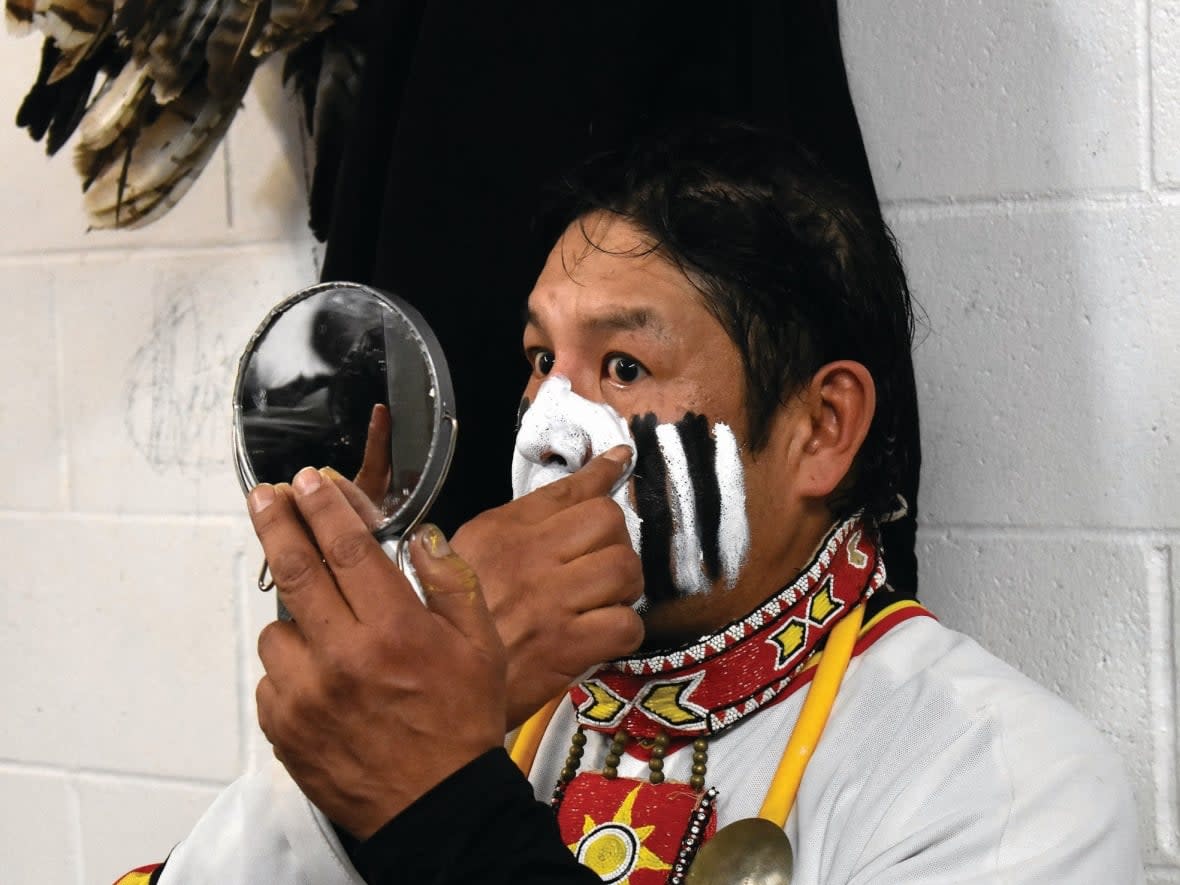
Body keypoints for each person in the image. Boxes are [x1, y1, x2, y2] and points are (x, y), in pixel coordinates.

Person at [117, 123, 1143, 884]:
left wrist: (436, 797)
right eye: (535, 362)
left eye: (620, 364)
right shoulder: (500, 705)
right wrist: (376, 730)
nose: (548, 424)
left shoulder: (1004, 781)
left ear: (821, 428)